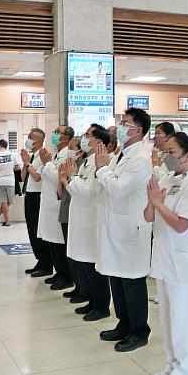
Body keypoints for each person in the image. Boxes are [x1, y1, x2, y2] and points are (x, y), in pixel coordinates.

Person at [146, 130, 188, 375]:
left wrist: (159, 204)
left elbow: (181, 225)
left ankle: (185, 371)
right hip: (165, 258)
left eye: (171, 152)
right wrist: (152, 201)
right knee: (167, 318)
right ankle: (171, 363)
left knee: (183, 320)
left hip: (185, 263)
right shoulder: (170, 179)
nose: (166, 156)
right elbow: (149, 217)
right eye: (165, 151)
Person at [95, 108, 153, 352]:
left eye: (125, 123)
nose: (119, 126)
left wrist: (102, 168)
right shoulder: (122, 154)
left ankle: (139, 330)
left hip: (131, 229)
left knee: (132, 281)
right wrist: (106, 167)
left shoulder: (140, 158)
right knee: (116, 278)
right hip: (116, 227)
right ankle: (124, 323)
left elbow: (118, 188)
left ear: (138, 130)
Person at [63, 125, 112, 322]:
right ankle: (92, 301)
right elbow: (76, 191)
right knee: (83, 263)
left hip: (91, 220)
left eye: (89, 136)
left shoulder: (98, 164)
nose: (84, 138)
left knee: (93, 266)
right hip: (80, 218)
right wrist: (71, 179)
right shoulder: (85, 162)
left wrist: (72, 177)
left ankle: (101, 306)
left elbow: (89, 192)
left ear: (100, 142)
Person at [38, 126, 76, 291]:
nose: (54, 135)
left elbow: (58, 178)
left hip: (57, 204)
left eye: (57, 133)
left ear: (66, 138)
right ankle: (59, 272)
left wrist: (47, 163)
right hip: (48, 204)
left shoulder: (67, 155)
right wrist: (47, 163)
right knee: (51, 241)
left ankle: (66, 276)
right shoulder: (55, 154)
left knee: (59, 241)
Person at [21, 128, 53, 278]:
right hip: (29, 195)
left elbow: (37, 177)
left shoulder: (43, 156)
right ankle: (40, 261)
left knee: (39, 232)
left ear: (38, 142)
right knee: (31, 230)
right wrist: (25, 163)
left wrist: (28, 163)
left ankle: (46, 264)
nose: (27, 140)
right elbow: (23, 177)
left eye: (30, 138)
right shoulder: (32, 156)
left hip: (38, 196)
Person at [58, 136, 86, 304]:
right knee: (71, 254)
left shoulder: (82, 167)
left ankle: (84, 289)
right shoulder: (70, 166)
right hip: (66, 209)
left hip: (76, 213)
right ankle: (78, 287)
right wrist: (61, 178)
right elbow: (61, 192)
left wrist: (69, 178)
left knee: (80, 256)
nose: (69, 151)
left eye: (72, 147)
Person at [0, 139, 22, 227]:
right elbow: (18, 167)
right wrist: (10, 169)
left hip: (0, 181)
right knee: (9, 202)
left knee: (4, 202)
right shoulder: (13, 155)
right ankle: (5, 220)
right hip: (11, 181)